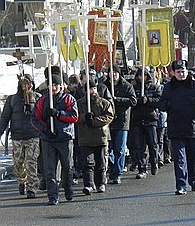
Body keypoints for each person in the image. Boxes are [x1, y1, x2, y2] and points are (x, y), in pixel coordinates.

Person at [159, 60, 195, 195]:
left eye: (183, 71)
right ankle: (181, 184)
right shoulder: (168, 87)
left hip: (193, 126)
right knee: (179, 158)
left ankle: (194, 181)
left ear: (187, 71)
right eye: (178, 72)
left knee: (193, 157)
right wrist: (168, 104)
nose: (181, 74)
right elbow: (161, 104)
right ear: (173, 73)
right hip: (176, 127)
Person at [31, 74, 78, 205]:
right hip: (48, 139)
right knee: (49, 169)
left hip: (65, 137)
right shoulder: (43, 101)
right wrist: (45, 129)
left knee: (67, 166)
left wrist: (58, 113)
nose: (54, 87)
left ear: (61, 86)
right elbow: (35, 118)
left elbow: (74, 117)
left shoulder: (69, 99)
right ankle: (52, 195)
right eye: (52, 85)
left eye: (56, 85)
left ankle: (68, 190)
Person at [0, 74, 41, 198]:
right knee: (18, 163)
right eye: (24, 83)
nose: (26, 86)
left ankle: (32, 188)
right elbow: (5, 117)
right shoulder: (12, 99)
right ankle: (22, 180)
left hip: (33, 135)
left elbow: (42, 116)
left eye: (29, 83)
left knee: (31, 162)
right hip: (17, 136)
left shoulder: (37, 98)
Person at [77, 79, 114, 194]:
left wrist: (94, 121)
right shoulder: (80, 103)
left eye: (93, 89)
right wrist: (84, 117)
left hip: (100, 137)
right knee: (87, 162)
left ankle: (101, 183)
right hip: (85, 137)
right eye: (89, 89)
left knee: (100, 162)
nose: (92, 91)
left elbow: (109, 116)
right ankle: (88, 184)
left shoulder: (104, 103)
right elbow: (75, 117)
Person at [105, 64, 137, 184]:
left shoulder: (127, 86)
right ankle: (113, 168)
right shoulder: (104, 86)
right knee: (109, 148)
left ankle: (118, 173)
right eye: (111, 72)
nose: (113, 75)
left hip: (122, 121)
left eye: (115, 72)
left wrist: (117, 99)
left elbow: (133, 101)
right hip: (108, 121)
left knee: (120, 149)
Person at [130, 67, 162, 179]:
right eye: (138, 75)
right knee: (139, 146)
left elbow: (159, 101)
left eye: (142, 75)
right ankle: (142, 168)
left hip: (150, 118)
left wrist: (148, 100)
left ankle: (154, 163)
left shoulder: (154, 87)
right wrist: (139, 101)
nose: (140, 77)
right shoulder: (133, 88)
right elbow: (132, 101)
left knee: (153, 144)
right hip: (137, 119)